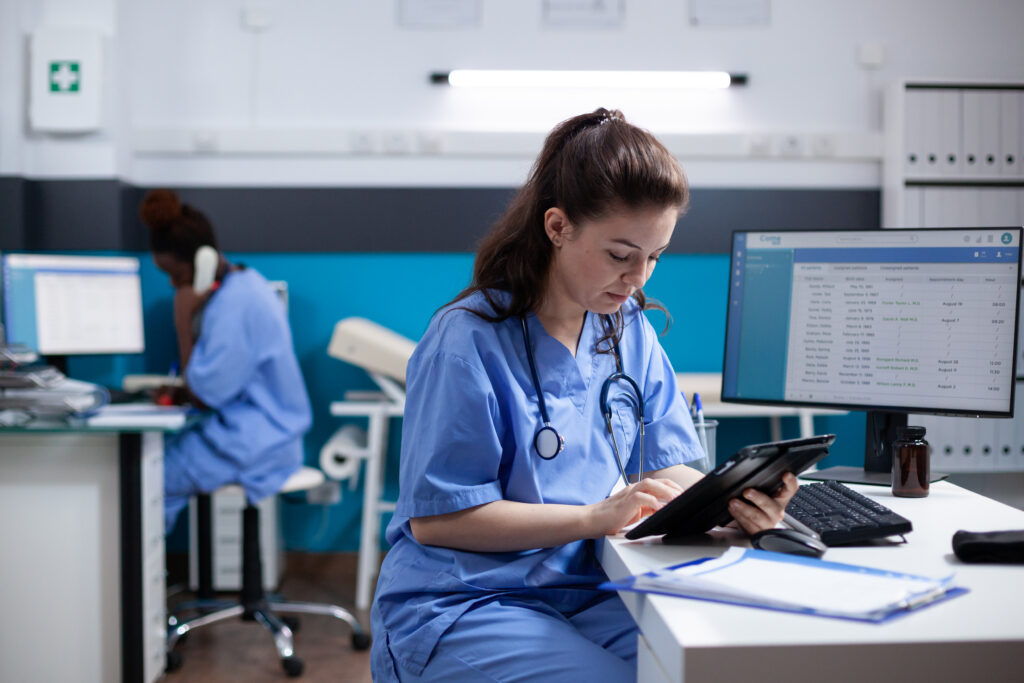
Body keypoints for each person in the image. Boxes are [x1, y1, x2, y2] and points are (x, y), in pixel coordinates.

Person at [369, 108, 799, 682]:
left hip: (586, 589)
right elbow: (440, 523)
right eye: (621, 255)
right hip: (466, 602)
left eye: (654, 257)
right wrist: (595, 516)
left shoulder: (628, 331)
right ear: (557, 227)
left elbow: (667, 468)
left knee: (718, 663)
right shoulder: (466, 341)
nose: (638, 278)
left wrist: (735, 504)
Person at [139, 189, 313, 531]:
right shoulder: (241, 286)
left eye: (177, 275)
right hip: (256, 432)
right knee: (153, 465)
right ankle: (148, 578)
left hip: (261, 441)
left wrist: (182, 321)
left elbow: (206, 394)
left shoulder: (235, 304)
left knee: (145, 481)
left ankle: (133, 581)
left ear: (203, 261)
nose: (175, 286)